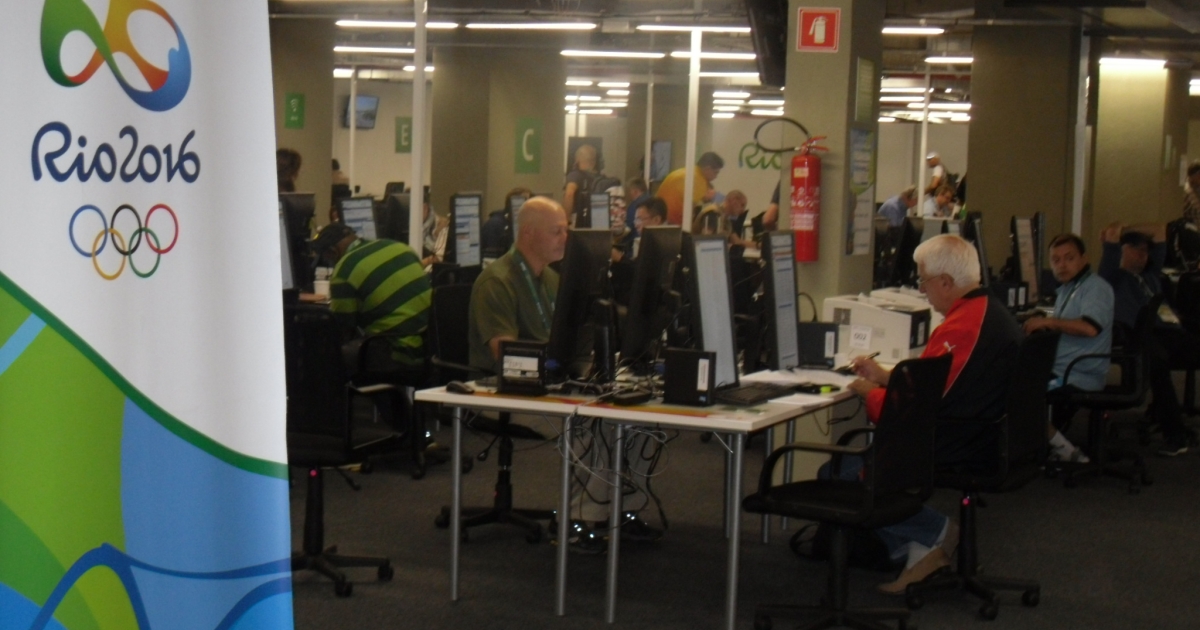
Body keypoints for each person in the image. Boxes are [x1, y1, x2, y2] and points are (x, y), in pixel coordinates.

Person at [846, 234, 1023, 594]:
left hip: (960, 439)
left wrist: (870, 394)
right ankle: (920, 550)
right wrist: (886, 376)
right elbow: (937, 382)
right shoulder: (986, 311)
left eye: (924, 280)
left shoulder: (961, 328)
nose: (922, 289)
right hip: (988, 432)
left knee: (844, 473)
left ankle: (933, 536)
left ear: (945, 282)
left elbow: (913, 410)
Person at [1098, 222, 1200, 456]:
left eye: (1145, 252)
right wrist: (1119, 234)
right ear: (1122, 251)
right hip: (1141, 339)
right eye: (1136, 250)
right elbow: (1112, 235)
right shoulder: (1112, 278)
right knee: (1155, 362)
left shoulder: (1151, 276)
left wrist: (1129, 229)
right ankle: (1175, 435)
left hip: (1172, 334)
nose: (1142, 256)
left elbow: (1159, 230)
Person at [1023, 233, 1114, 464]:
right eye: (1056, 260)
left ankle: (1067, 452)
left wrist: (1049, 322)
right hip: (1066, 367)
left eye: (1069, 258)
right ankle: (1039, 442)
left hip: (1077, 372)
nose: (1062, 265)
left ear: (1084, 259)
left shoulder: (1095, 288)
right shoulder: (1069, 288)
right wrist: (1045, 319)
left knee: (1018, 394)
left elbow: (1090, 327)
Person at [310, 223, 432, 373]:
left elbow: (343, 327)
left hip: (398, 353)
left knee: (327, 355)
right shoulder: (399, 247)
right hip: (430, 348)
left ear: (332, 251)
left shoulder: (345, 269)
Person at [468, 196, 569, 375]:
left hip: (547, 375)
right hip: (503, 383)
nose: (565, 238)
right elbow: (508, 357)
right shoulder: (497, 282)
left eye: (566, 231)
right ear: (528, 232)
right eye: (556, 232)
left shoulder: (553, 278)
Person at [656, 152, 723, 226]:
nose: (716, 177)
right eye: (715, 172)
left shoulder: (685, 171)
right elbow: (691, 211)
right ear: (708, 169)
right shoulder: (698, 180)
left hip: (658, 217)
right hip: (673, 223)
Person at [563, 144, 600, 226]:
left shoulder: (575, 175)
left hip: (577, 221)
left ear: (577, 159)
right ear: (594, 161)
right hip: (596, 221)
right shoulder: (599, 179)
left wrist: (566, 219)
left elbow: (569, 194)